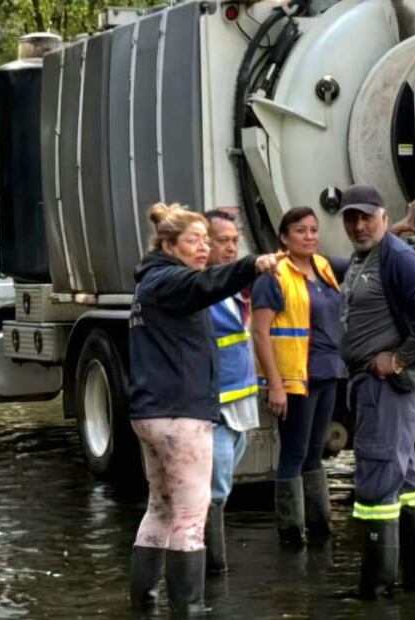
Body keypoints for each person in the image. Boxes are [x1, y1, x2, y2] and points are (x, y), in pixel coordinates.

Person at [127, 203, 281, 614]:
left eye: (204, 240)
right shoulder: (173, 282)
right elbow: (208, 285)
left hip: (151, 413)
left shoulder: (150, 283)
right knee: (191, 517)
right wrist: (253, 265)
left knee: (159, 507)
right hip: (181, 415)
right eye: (193, 240)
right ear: (168, 244)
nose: (202, 248)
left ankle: (143, 601)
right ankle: (189, 608)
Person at [337, 185, 415, 598]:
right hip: (372, 386)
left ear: (382, 216)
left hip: (386, 385)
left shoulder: (396, 258)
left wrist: (397, 359)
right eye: (351, 217)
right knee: (404, 481)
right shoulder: (370, 254)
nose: (359, 225)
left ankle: (375, 592)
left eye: (367, 216)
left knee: (377, 485)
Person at [251, 207, 347, 546]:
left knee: (315, 451)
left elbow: (369, 255)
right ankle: (291, 534)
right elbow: (260, 333)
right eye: (301, 231)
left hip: (327, 372)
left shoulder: (323, 267)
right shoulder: (273, 275)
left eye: (313, 230)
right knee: (294, 450)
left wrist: (395, 228)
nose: (309, 236)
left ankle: (320, 529)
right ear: (284, 237)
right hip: (295, 378)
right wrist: (274, 385)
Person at [201, 209, 260, 575]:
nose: (231, 247)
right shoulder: (199, 288)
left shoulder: (233, 286)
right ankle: (209, 567)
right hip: (216, 404)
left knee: (224, 481)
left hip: (242, 399)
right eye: (222, 240)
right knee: (216, 489)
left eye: (235, 241)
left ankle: (209, 562)